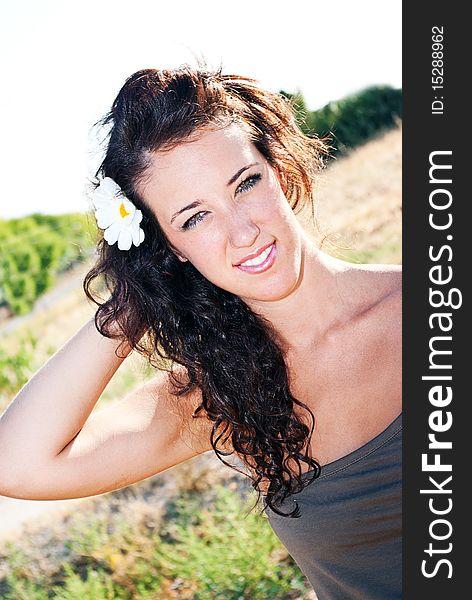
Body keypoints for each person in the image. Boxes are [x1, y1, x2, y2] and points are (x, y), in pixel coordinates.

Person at [0, 65, 402, 599]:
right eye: (194, 218)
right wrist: (131, 302)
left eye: (246, 183)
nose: (243, 231)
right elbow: (19, 464)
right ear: (169, 248)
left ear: (277, 166)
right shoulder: (218, 398)